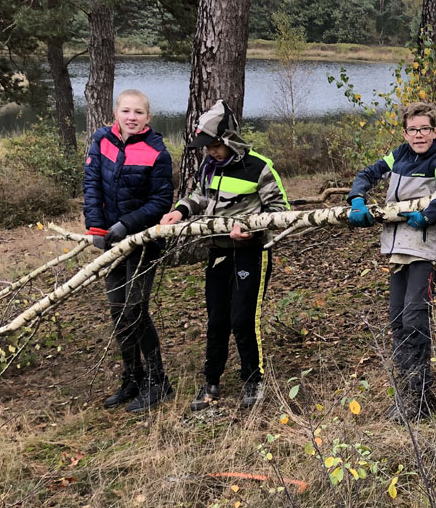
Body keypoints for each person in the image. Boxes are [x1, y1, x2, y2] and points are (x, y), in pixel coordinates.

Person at [159, 100, 289, 411]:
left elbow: (280, 212)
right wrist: (180, 211)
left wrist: (250, 230)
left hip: (251, 253)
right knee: (217, 320)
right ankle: (211, 382)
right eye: (207, 147)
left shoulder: (260, 167)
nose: (211, 152)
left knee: (242, 319)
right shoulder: (208, 167)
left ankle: (252, 381)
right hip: (217, 252)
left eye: (215, 145)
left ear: (229, 139)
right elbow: (200, 196)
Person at [346, 101, 436, 422]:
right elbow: (368, 173)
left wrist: (427, 216)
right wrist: (357, 197)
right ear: (405, 132)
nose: (418, 135)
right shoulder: (399, 155)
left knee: (414, 317)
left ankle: (421, 396)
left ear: (434, 131)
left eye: (424, 129)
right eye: (413, 129)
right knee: (397, 319)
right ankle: (408, 390)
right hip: (398, 249)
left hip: (424, 250)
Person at [83, 89, 175, 413]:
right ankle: (132, 377)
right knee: (118, 313)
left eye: (138, 112)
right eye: (126, 111)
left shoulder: (157, 152)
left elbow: (160, 203)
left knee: (135, 311)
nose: (131, 117)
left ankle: (158, 381)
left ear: (148, 118)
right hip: (111, 243)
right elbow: (92, 183)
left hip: (143, 244)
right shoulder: (101, 140)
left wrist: (126, 224)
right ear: (116, 113)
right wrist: (96, 228)